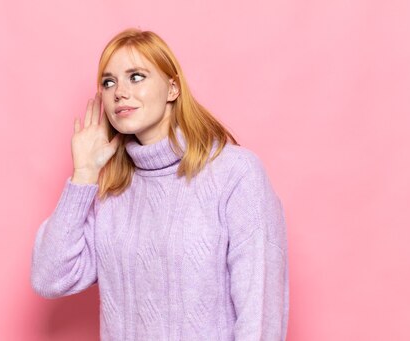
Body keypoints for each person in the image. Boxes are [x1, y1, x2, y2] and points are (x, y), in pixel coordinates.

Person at [30, 28, 289, 340]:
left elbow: (259, 314)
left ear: (172, 88)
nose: (119, 92)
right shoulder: (111, 190)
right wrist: (84, 173)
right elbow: (49, 277)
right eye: (108, 82)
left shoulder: (235, 173)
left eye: (136, 76)